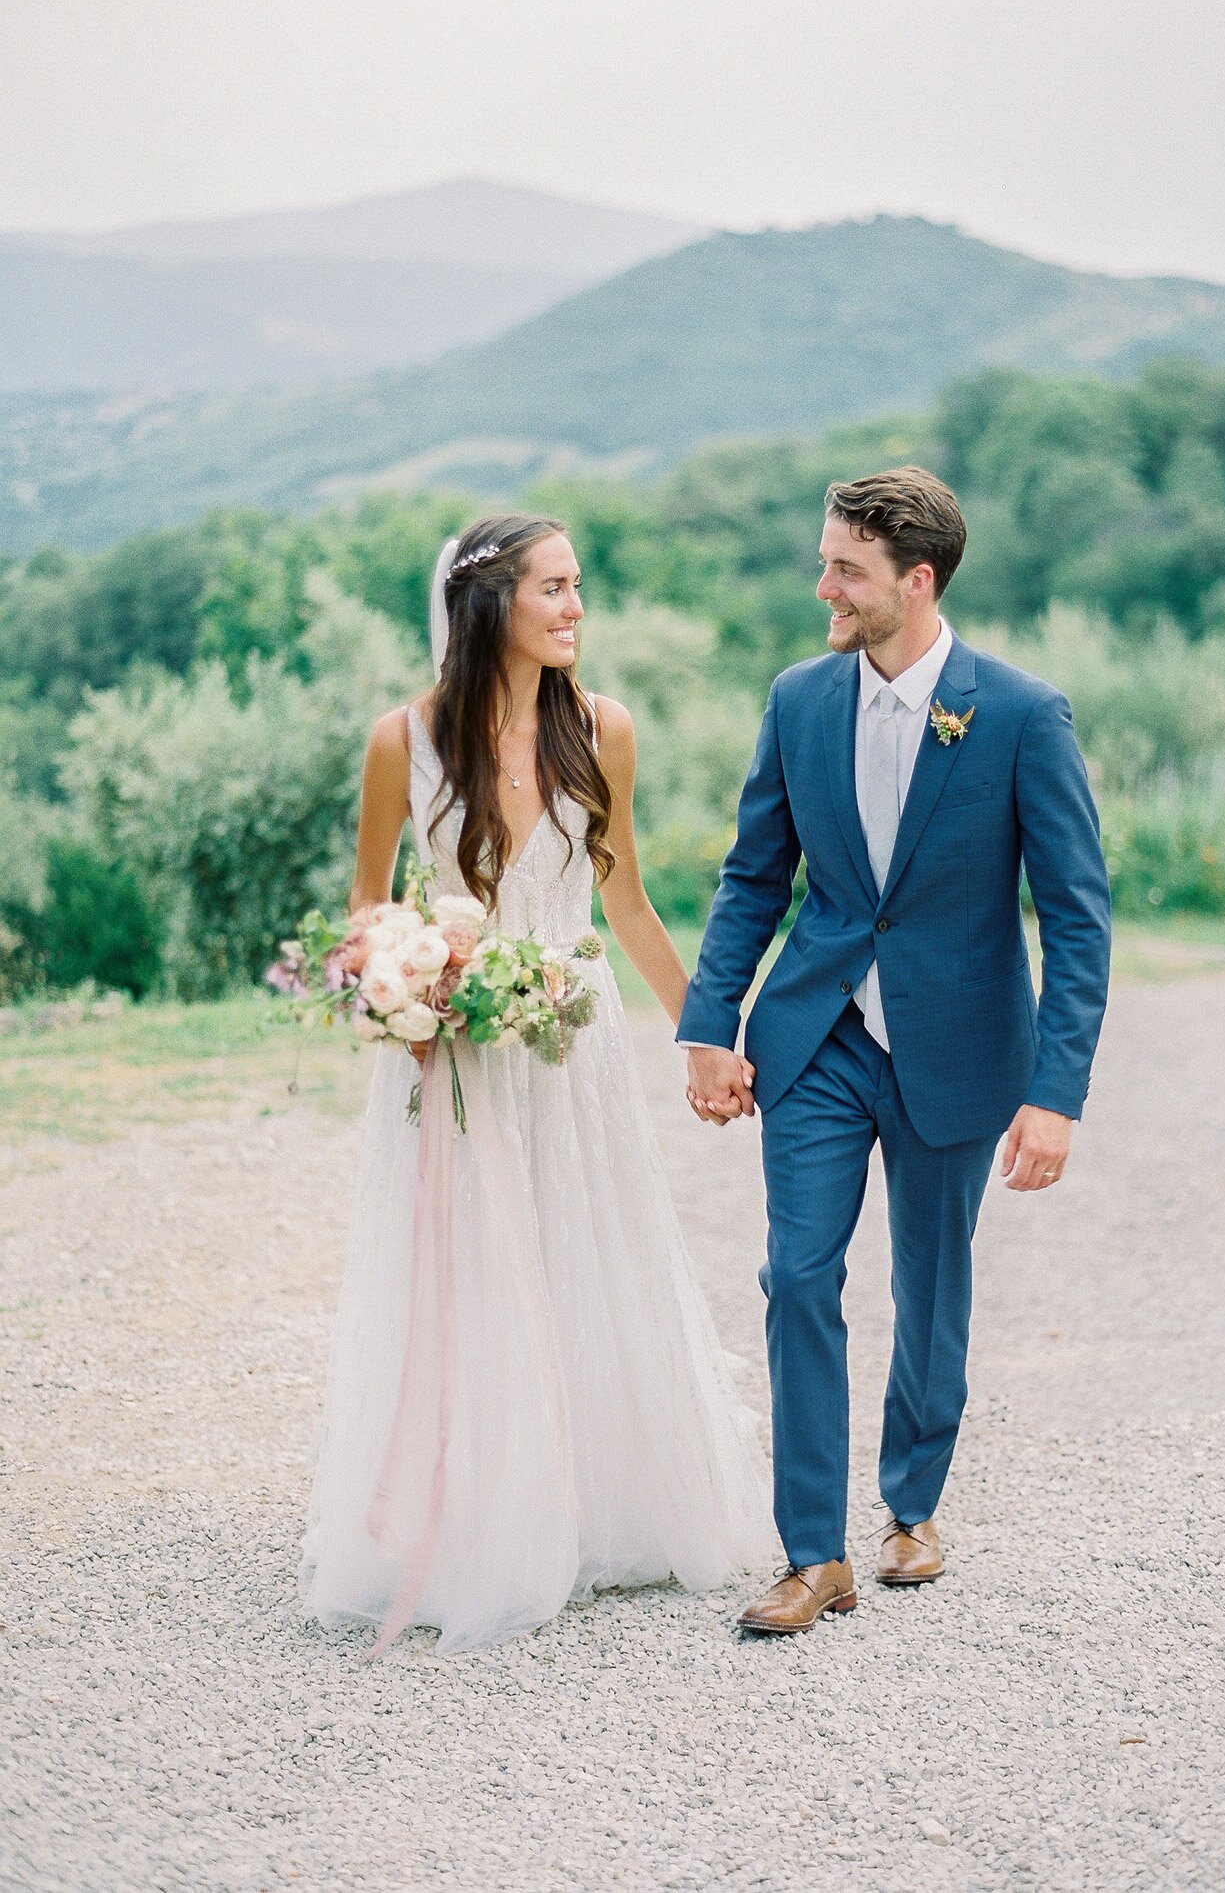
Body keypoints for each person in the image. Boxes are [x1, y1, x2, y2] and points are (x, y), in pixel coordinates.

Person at [299, 514, 769, 1652]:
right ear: (488, 604)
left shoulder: (601, 729)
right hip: (455, 1049)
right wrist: (404, 985)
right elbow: (368, 913)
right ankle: (476, 1522)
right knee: (467, 1276)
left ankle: (604, 1508)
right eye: (552, 589)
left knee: (587, 1252)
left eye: (576, 590)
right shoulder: (397, 743)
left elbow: (628, 902)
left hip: (571, 1042)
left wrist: (704, 1033)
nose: (573, 610)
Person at [679, 467, 1112, 1634]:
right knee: (796, 1275)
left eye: (845, 570)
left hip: (957, 1047)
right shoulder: (797, 698)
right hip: (814, 1036)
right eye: (826, 560)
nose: (822, 584)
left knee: (929, 1283)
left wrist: (1055, 1093)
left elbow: (1074, 915)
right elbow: (752, 878)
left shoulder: (1020, 714)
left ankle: (910, 1504)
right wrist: (706, 1026)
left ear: (913, 583)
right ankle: (811, 1552)